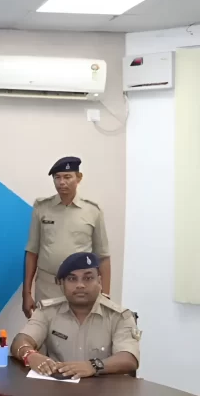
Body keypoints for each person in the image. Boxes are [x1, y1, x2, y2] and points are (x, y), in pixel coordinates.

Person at [10, 252, 140, 380]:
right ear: (62, 284)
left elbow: (129, 359)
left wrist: (93, 366)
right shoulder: (47, 312)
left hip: (105, 390)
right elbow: (20, 341)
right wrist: (30, 355)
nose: (80, 285)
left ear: (99, 282)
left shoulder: (119, 316)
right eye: (72, 279)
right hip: (59, 388)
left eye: (88, 278)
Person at [23, 156, 110, 318]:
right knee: (46, 331)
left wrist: (105, 296)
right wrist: (26, 293)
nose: (61, 182)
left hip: (81, 288)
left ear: (79, 178)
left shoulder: (92, 211)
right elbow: (32, 252)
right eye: (57, 177)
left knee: (80, 331)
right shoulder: (42, 208)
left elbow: (103, 257)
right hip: (48, 287)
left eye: (67, 177)